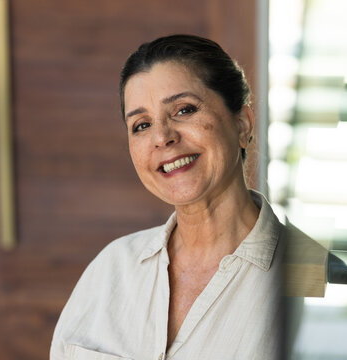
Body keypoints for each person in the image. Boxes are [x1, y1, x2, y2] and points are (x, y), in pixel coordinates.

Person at [50, 34, 285, 360]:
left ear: (243, 124)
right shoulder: (111, 270)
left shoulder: (308, 280)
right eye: (142, 125)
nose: (161, 137)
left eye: (184, 110)